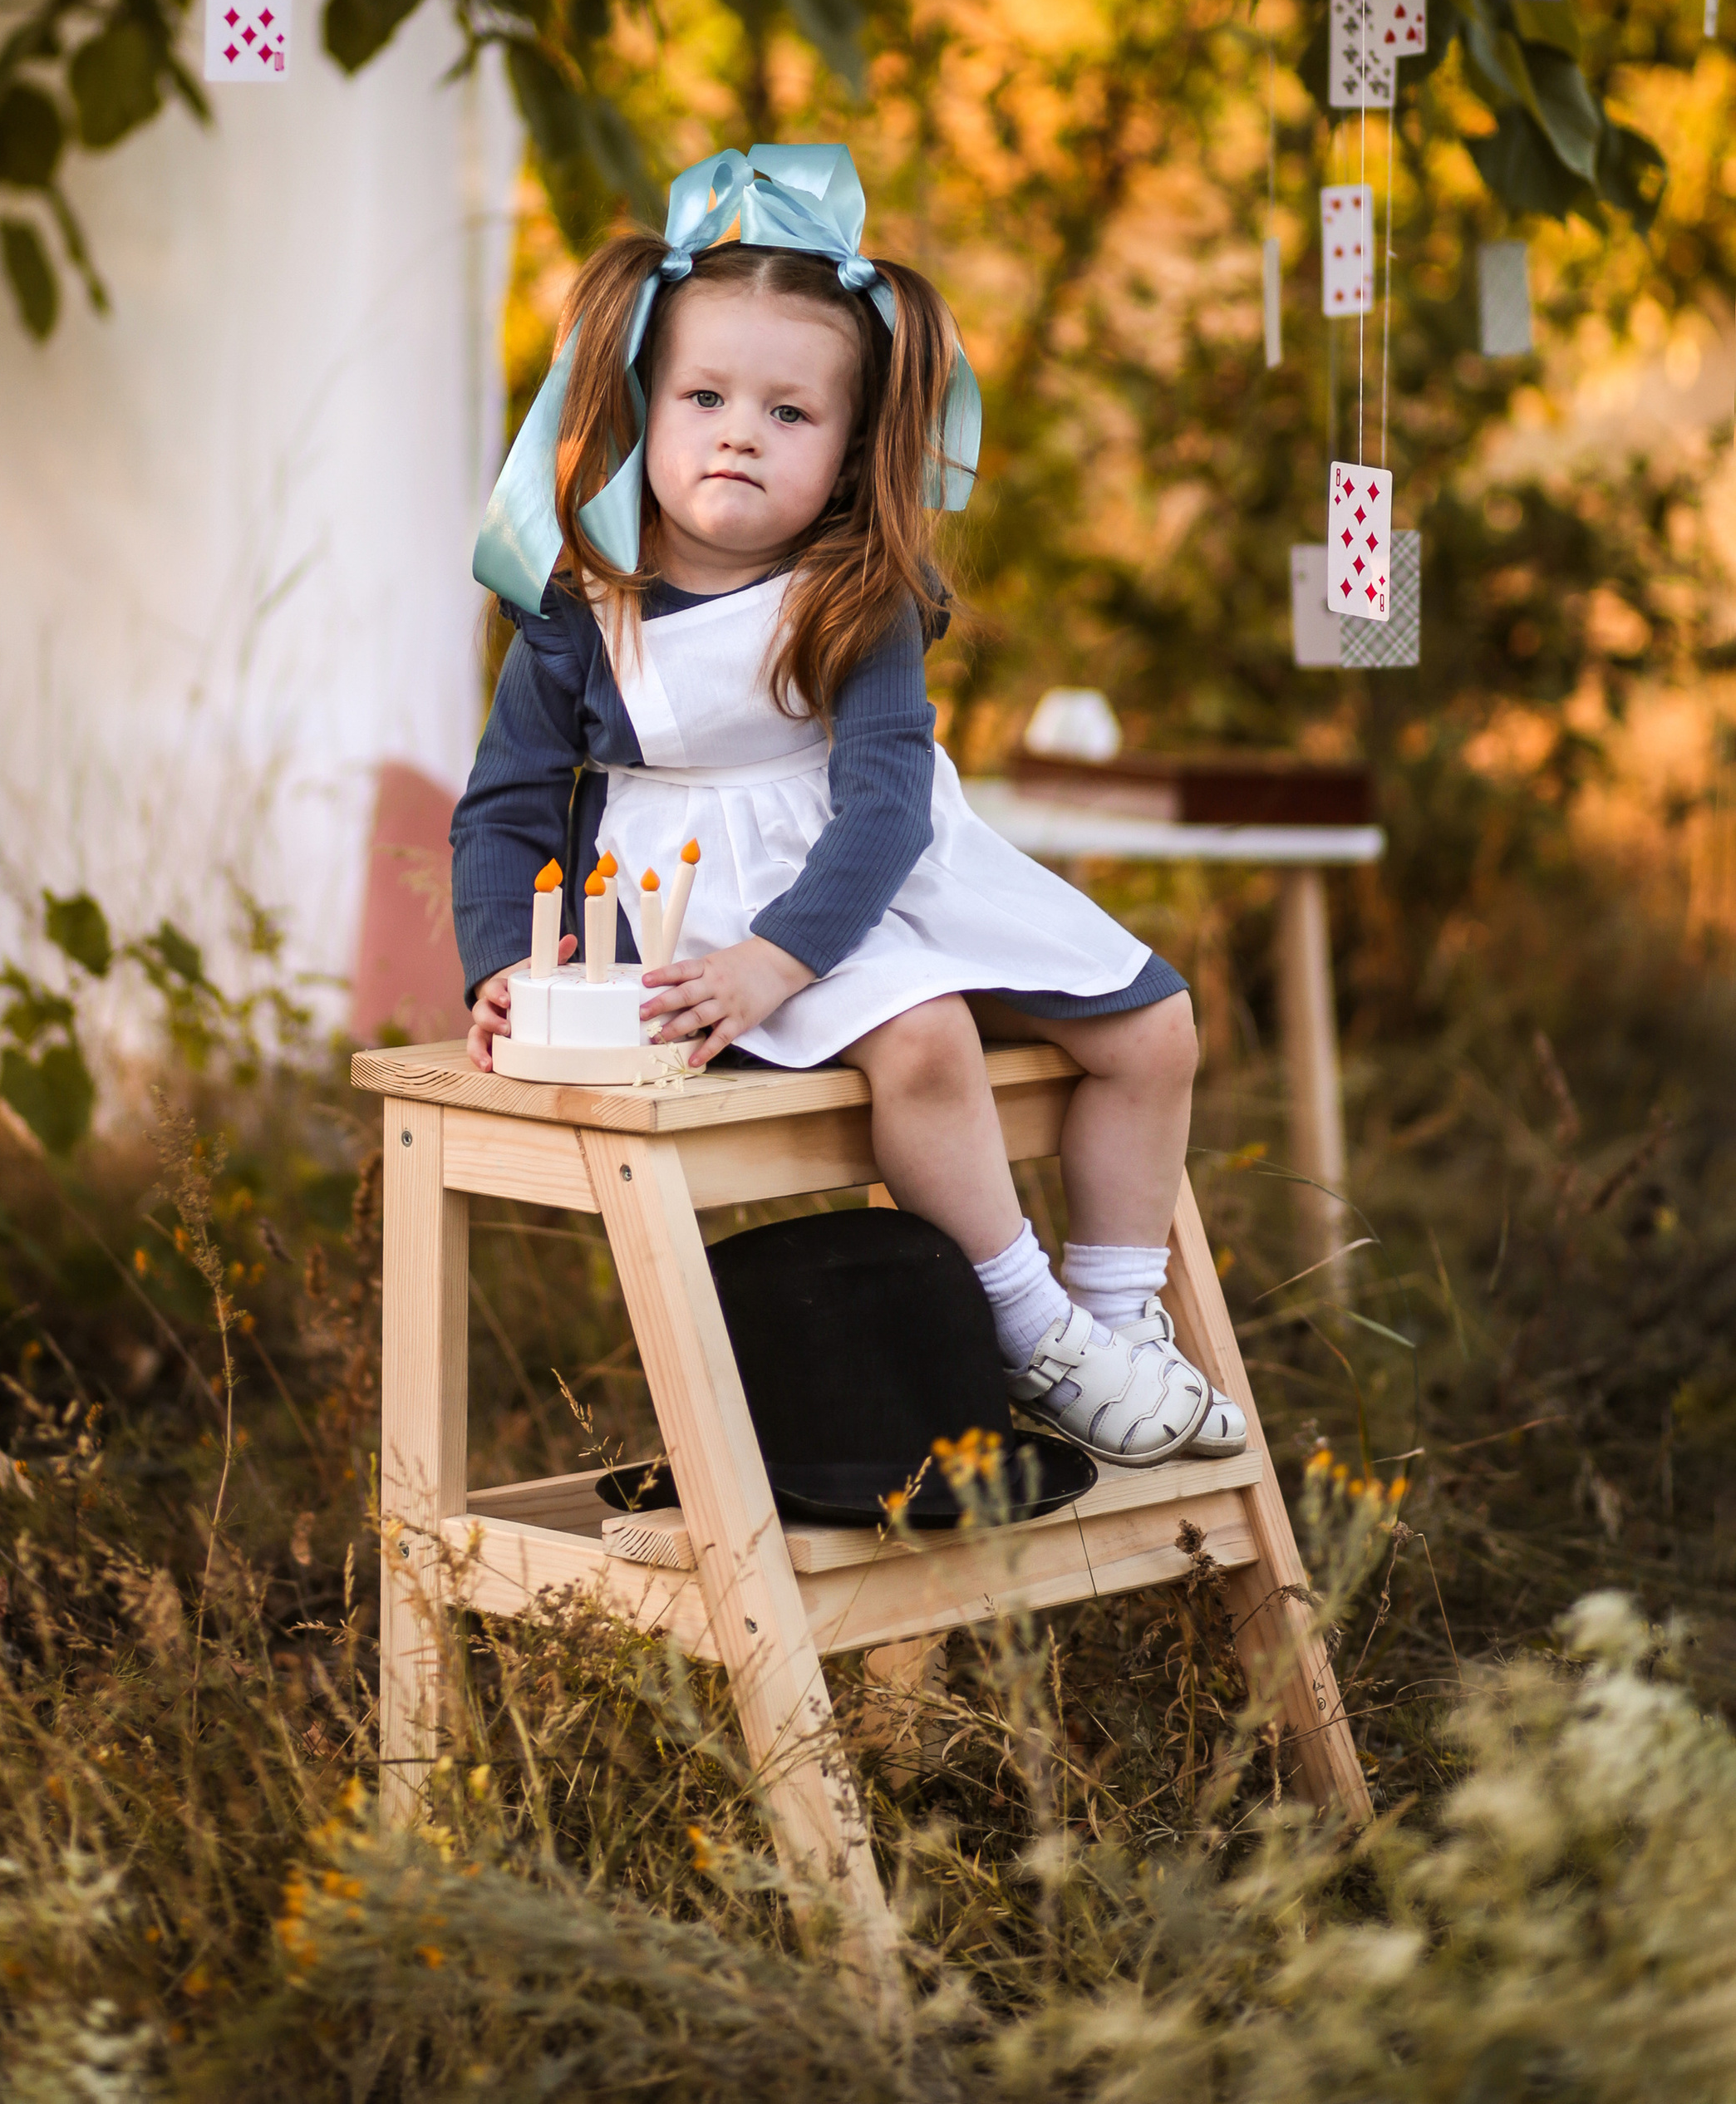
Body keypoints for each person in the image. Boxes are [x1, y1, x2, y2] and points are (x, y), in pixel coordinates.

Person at [451, 145, 1243, 1471]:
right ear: (645, 405)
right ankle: (1031, 1330)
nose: (739, 434)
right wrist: (499, 967)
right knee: (924, 1038)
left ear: (851, 448)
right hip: (689, 910)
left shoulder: (856, 594)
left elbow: (882, 810)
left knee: (1155, 1024)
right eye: (705, 397)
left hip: (873, 878)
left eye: (790, 413)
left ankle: (1118, 1324)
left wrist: (791, 956)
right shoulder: (584, 605)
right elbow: (506, 805)